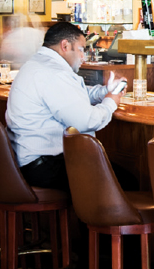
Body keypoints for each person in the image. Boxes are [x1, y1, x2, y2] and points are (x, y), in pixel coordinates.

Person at [6, 21, 125, 191]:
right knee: (127, 182)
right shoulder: (55, 73)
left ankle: (84, 217)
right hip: (44, 165)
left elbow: (74, 94)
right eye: (82, 49)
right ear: (65, 45)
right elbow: (86, 121)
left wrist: (106, 90)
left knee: (116, 175)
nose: (83, 57)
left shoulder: (36, 64)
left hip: (26, 162)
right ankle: (89, 218)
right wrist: (111, 102)